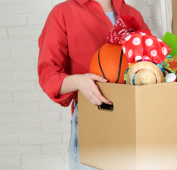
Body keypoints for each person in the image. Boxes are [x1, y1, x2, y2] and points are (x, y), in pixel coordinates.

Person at [37, 0, 149, 169]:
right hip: (93, 115)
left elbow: (151, 64)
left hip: (134, 118)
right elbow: (48, 77)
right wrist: (79, 82)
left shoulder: (132, 13)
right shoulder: (63, 13)